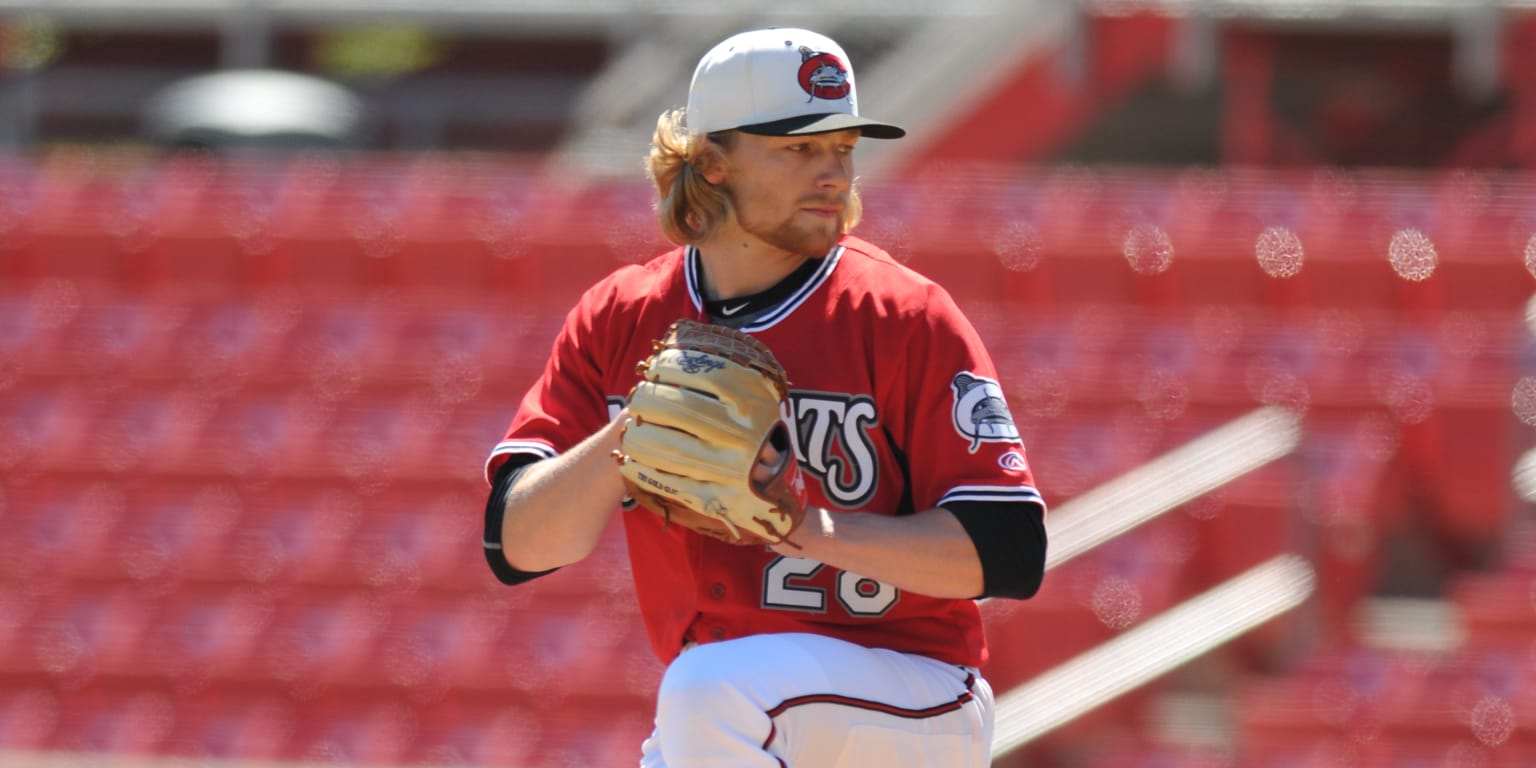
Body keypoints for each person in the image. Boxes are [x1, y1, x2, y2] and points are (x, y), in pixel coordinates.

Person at [482, 26, 1047, 768]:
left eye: (843, 148)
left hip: (912, 693)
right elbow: (514, 545)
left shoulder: (902, 316)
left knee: (712, 691)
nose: (833, 174)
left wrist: (800, 527)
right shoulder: (622, 318)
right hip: (736, 713)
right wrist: (634, 438)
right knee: (710, 698)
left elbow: (1009, 552)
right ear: (711, 162)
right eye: (799, 148)